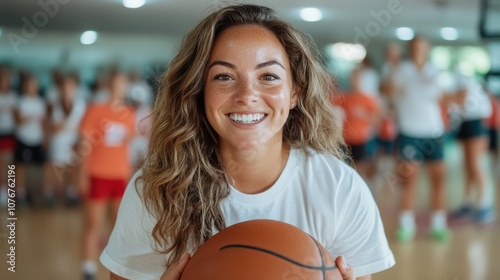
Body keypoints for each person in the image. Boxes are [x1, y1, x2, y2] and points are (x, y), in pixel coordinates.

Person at [99, 4, 395, 280]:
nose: (246, 95)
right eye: (224, 77)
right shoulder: (155, 190)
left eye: (268, 76)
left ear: (294, 93)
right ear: (198, 92)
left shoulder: (340, 189)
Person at [386, 35, 465, 242]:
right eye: (415, 46)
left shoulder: (435, 73)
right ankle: (406, 225)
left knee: (438, 180)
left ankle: (438, 225)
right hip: (409, 133)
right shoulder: (401, 70)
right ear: (410, 48)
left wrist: (459, 98)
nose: (418, 50)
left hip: (434, 134)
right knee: (409, 181)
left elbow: (442, 98)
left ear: (428, 49)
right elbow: (386, 89)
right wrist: (392, 65)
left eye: (422, 46)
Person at [78, 71, 136, 280]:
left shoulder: (129, 113)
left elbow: (128, 146)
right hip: (98, 173)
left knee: (118, 225)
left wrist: (128, 173)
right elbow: (85, 145)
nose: (118, 88)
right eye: (115, 84)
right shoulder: (96, 110)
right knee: (93, 223)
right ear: (108, 86)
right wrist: (82, 174)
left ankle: (115, 266)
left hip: (119, 175)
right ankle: (88, 266)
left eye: (122, 84)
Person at [450, 74, 494, 223]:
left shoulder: (467, 83)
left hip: (476, 125)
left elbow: (459, 99)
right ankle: (467, 203)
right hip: (466, 124)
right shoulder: (458, 84)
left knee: (476, 165)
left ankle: (485, 205)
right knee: (468, 166)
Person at [45, 75, 87, 206]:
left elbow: (83, 126)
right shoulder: (55, 104)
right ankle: (56, 196)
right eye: (66, 87)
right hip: (58, 142)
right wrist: (70, 126)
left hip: (74, 142)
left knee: (72, 168)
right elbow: (54, 128)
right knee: (57, 169)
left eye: (71, 87)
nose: (68, 89)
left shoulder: (80, 104)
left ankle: (71, 195)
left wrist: (68, 127)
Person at [333, 68, 381, 180]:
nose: (354, 80)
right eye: (352, 78)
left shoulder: (368, 99)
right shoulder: (345, 97)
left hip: (361, 139)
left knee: (359, 170)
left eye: (357, 77)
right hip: (345, 140)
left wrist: (364, 116)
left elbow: (377, 119)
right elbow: (329, 104)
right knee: (344, 169)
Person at [0, 67, 17, 206]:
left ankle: (9, 191)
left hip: (10, 133)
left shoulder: (13, 97)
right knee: (1, 164)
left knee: (9, 164)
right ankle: (2, 190)